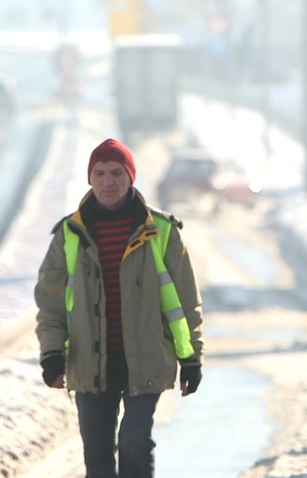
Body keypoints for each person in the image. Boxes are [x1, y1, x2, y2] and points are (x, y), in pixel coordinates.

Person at [34, 138, 204, 478]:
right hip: (89, 362)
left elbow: (185, 302)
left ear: (130, 178)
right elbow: (50, 304)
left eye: (116, 173)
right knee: (97, 458)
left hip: (147, 358)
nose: (107, 182)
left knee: (134, 442)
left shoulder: (162, 230)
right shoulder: (69, 233)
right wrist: (52, 353)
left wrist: (191, 357)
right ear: (90, 178)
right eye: (99, 173)